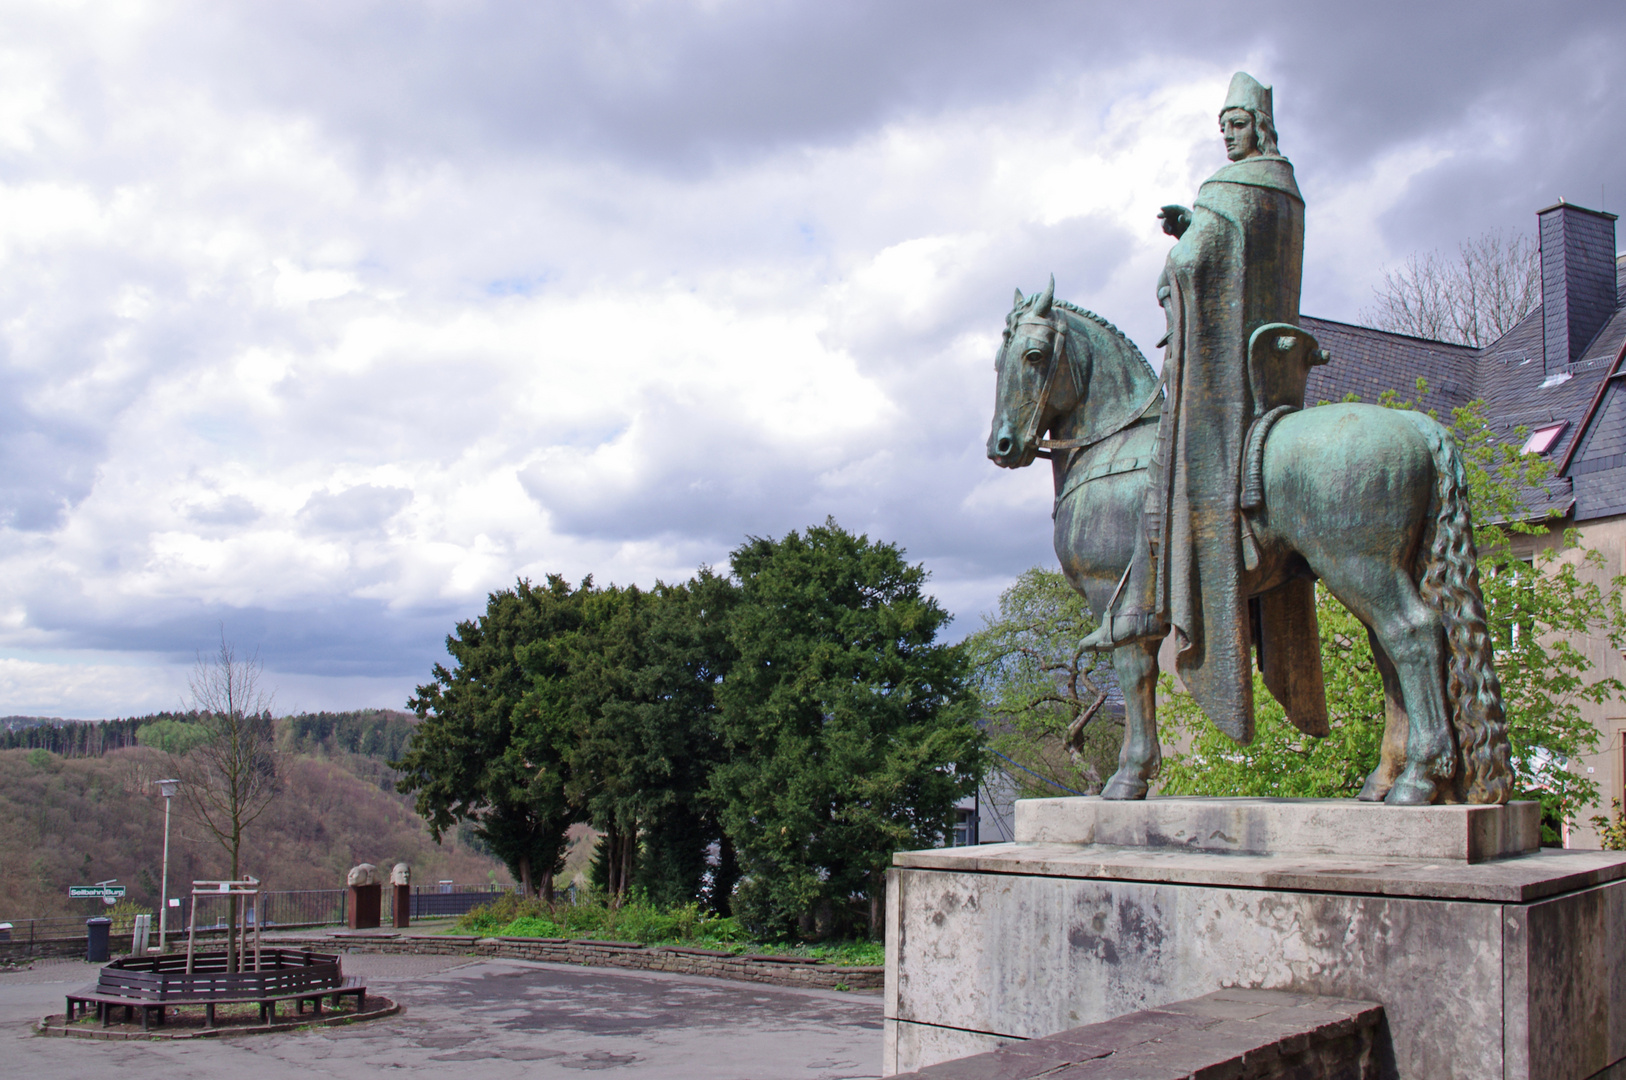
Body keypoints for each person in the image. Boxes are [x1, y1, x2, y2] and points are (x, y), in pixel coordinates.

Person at [1080, 72, 1323, 744]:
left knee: (1171, 473)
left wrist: (1185, 242)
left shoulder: (1236, 189)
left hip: (1224, 374)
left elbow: (1194, 268)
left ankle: (1155, 590)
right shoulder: (1284, 193)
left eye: (1238, 122)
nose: (1228, 132)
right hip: (1268, 365)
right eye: (1223, 123)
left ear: (1261, 126)